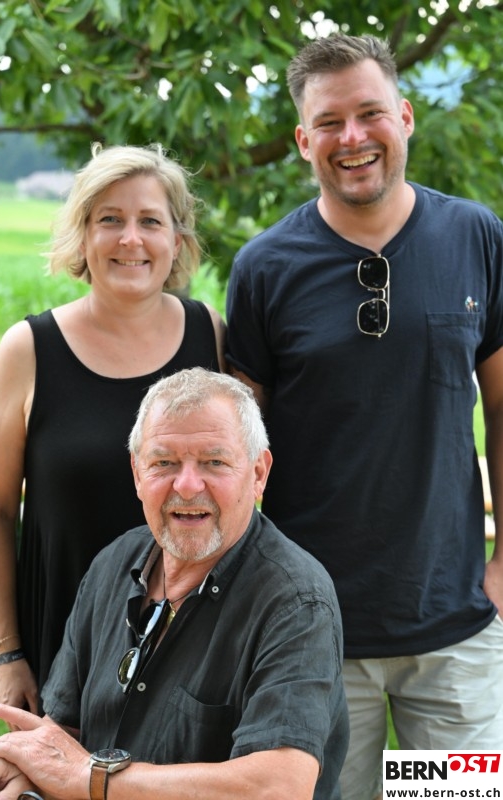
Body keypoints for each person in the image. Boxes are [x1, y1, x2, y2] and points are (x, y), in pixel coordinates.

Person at [225, 32, 503, 800]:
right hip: (312, 636)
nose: (351, 138)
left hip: (454, 633)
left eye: (369, 113)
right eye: (328, 122)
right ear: (301, 140)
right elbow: (238, 453)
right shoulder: (263, 268)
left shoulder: (475, 237)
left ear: (404, 117)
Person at [0, 368, 348, 800]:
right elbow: (64, 735)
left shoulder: (296, 602)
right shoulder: (113, 564)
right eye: (163, 463)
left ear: (258, 473)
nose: (186, 486)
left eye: (214, 462)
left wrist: (92, 778)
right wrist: (17, 763)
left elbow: (280, 787)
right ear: (137, 473)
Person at [0, 143, 225, 715]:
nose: (130, 239)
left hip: (194, 650)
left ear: (177, 239)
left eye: (150, 221)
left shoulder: (209, 335)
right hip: (62, 644)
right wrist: (9, 654)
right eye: (110, 219)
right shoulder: (27, 351)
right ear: (82, 236)